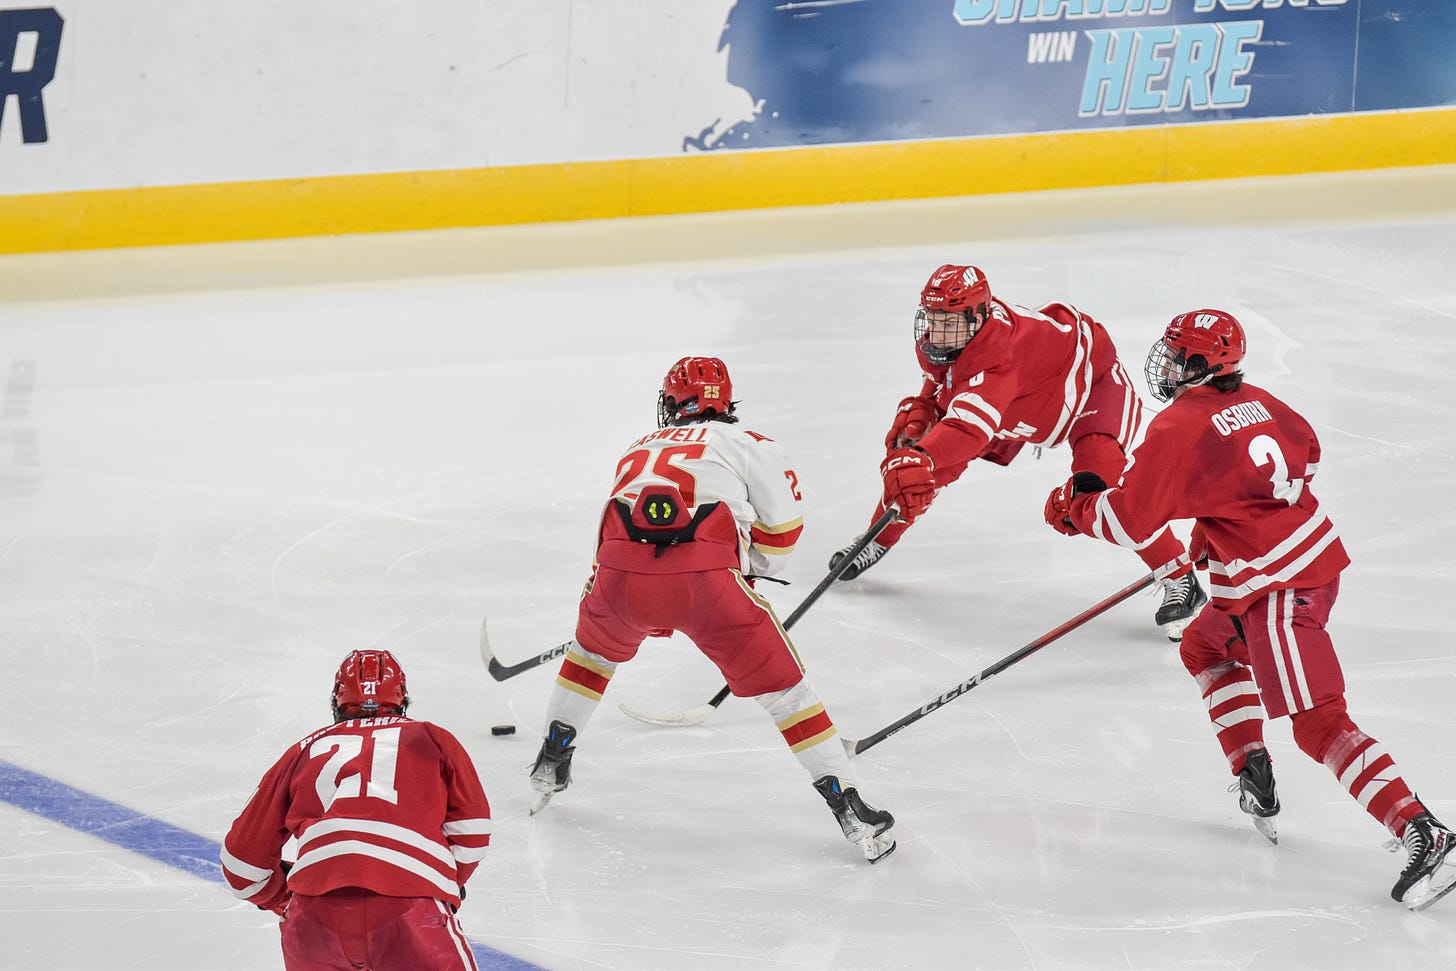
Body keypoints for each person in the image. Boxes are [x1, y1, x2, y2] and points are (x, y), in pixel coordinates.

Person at [1042, 308, 1456, 911]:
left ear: (1201, 363)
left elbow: (1130, 518)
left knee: (1319, 724)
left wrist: (1073, 510)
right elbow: (1305, 457)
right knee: (1204, 645)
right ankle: (1252, 769)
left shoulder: (1177, 426)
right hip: (1305, 566)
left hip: (1279, 592)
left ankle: (1423, 829)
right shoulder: (1263, 400)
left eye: (1177, 354)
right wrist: (1223, 513)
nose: (1166, 364)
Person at [528, 356, 896, 863]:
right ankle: (848, 806)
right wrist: (751, 570)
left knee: (591, 658)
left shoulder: (638, 446)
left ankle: (552, 757)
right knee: (789, 697)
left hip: (617, 581)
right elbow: (783, 530)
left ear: (671, 403)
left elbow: (608, 528)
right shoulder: (750, 443)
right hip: (706, 584)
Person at [843, 264, 1204, 640]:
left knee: (1103, 487)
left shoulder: (1000, 356)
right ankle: (877, 539)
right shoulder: (958, 337)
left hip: (1092, 391)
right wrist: (922, 419)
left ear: (978, 316)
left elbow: (967, 430)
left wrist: (921, 456)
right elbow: (942, 389)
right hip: (1025, 400)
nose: (937, 331)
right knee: (922, 458)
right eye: (932, 318)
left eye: (948, 320)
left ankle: (1181, 577)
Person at [221, 650, 493, 967]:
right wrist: (440, 882)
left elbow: (241, 867)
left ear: (337, 703)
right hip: (412, 911)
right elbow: (472, 832)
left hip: (310, 924)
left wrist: (287, 899)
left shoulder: (305, 749)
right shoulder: (432, 738)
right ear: (402, 699)